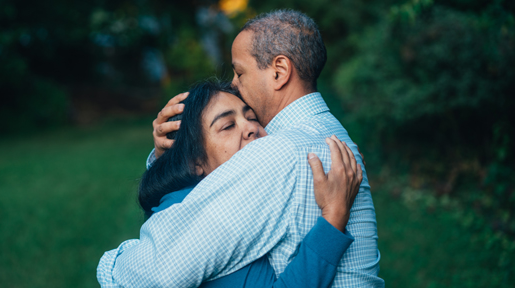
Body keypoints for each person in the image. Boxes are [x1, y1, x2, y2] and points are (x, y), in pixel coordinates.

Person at [101, 9, 383, 287]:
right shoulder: (329, 135)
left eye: (239, 72)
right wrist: (170, 157)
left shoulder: (278, 153)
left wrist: (111, 263)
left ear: (279, 72)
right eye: (227, 124)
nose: (234, 85)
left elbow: (156, 271)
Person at [98, 80, 361, 287]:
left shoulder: (183, 198)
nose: (250, 128)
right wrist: (333, 218)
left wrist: (162, 158)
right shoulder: (216, 224)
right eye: (227, 126)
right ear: (195, 162)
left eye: (252, 117)